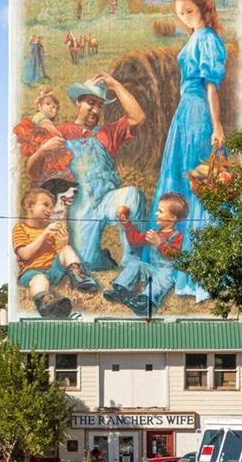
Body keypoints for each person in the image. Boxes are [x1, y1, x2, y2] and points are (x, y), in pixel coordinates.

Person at [27, 74, 148, 271]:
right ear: (78, 102)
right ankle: (101, 257)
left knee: (133, 195)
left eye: (100, 105)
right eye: (90, 103)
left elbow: (138, 117)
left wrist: (115, 85)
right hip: (80, 206)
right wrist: (41, 152)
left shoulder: (108, 132)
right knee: (88, 262)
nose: (95, 109)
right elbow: (32, 172)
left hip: (108, 198)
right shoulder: (60, 131)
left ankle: (133, 264)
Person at [153, 0, 227, 300]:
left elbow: (211, 86)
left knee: (199, 183)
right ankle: (177, 261)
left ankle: (199, 270)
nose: (184, 16)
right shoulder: (194, 36)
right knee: (183, 177)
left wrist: (217, 125)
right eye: (180, 12)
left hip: (199, 112)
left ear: (202, 10)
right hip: (186, 112)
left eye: (189, 11)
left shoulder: (208, 38)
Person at [12, 187, 98, 317]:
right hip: (32, 271)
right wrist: (44, 234)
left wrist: (64, 243)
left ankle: (79, 276)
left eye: (51, 207)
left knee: (67, 249)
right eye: (45, 205)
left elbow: (60, 253)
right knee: (40, 280)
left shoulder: (51, 228)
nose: (49, 210)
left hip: (53, 270)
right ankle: (45, 303)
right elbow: (24, 254)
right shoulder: (20, 228)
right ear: (30, 206)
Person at [105, 195, 188, 317]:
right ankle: (121, 289)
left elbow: (174, 254)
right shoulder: (154, 233)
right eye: (157, 210)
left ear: (172, 217)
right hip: (153, 269)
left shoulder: (177, 236)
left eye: (160, 211)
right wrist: (127, 224)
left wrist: (159, 243)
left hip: (167, 273)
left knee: (160, 280)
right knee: (135, 263)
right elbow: (135, 240)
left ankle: (144, 302)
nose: (156, 213)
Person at [14, 89, 71, 180]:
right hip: (37, 140)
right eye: (48, 104)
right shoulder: (40, 116)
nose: (51, 108)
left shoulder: (46, 119)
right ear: (39, 106)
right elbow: (52, 130)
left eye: (54, 107)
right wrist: (60, 136)